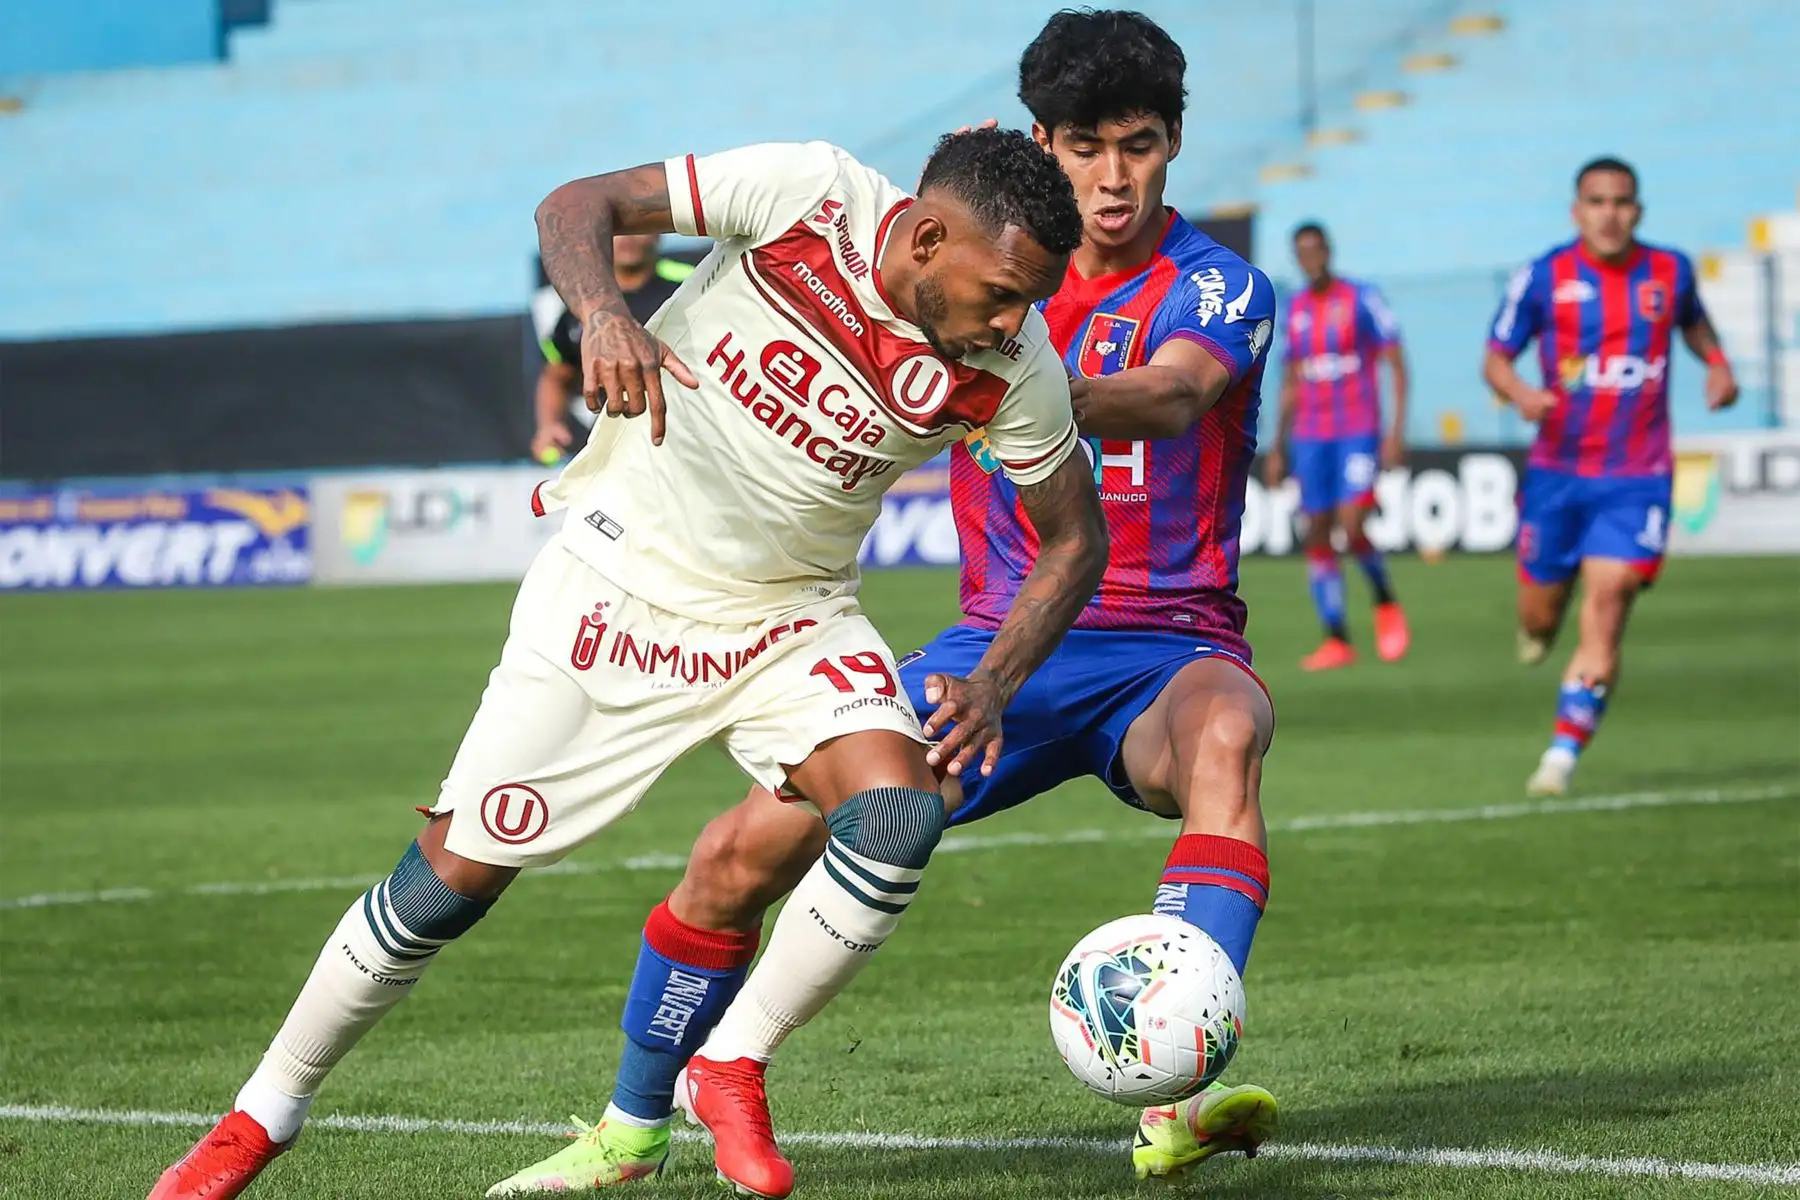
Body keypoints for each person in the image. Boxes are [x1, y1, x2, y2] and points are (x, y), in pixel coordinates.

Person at [146, 126, 1108, 1200]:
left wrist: (995, 681)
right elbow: (575, 203)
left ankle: (729, 1063)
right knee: (449, 882)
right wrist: (603, 313)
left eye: (1029, 301)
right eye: (1002, 293)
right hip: (617, 584)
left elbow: (1076, 538)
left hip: (791, 618)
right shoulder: (808, 193)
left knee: (898, 815)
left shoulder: (1015, 367)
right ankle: (260, 1116)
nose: (1013, 322)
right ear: (926, 238)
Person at [489, 12, 1280, 1198]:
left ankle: (1174, 1095)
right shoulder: (972, 268)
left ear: (1174, 142)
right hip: (997, 641)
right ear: (1042, 147)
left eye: (1140, 145)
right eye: (1085, 147)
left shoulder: (1216, 286)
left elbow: (1173, 398)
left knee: (1225, 739)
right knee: (742, 851)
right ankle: (630, 1125)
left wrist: (1005, 391)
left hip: (1167, 646)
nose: (1114, 177)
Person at [1483, 156, 1737, 797]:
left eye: (1621, 202)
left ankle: (1561, 755)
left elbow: (1694, 322)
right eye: (1597, 202)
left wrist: (1717, 363)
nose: (1610, 214)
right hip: (1558, 475)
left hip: (1636, 474)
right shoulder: (1544, 275)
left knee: (1610, 595)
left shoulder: (1670, 271)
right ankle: (1541, 622)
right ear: (1577, 211)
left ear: (1638, 210)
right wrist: (1521, 393)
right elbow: (1496, 358)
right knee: (1540, 619)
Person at [1264, 222, 1411, 670]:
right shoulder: (1295, 310)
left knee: (1352, 520)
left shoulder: (1362, 298)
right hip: (1310, 434)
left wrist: (1395, 432)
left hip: (1357, 429)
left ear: (1328, 251)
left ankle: (1384, 600)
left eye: (1316, 249)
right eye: (1302, 252)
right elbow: (1290, 382)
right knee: (1317, 529)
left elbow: (1396, 365)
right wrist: (1277, 446)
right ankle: (1336, 637)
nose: (1311, 259)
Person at [530, 234, 694, 464]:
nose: (627, 238)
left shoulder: (692, 284)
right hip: (619, 457)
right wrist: (549, 426)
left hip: (691, 441)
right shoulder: (581, 307)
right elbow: (556, 376)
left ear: (657, 233)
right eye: (615, 229)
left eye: (635, 226)